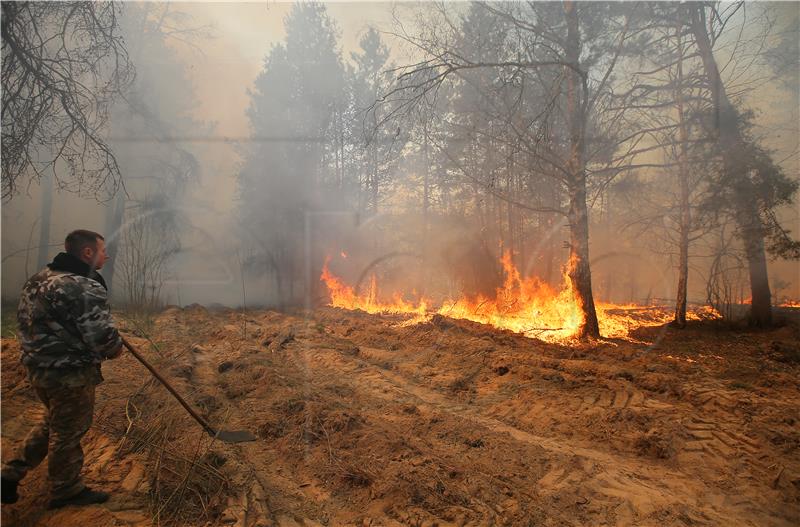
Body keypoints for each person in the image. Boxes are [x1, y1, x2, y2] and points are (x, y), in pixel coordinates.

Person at [1, 229, 123, 509]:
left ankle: (10, 473)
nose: (107, 255)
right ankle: (66, 489)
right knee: (67, 433)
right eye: (103, 250)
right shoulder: (84, 286)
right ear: (88, 253)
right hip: (69, 374)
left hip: (38, 369)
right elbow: (102, 338)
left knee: (52, 424)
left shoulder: (40, 279)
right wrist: (115, 347)